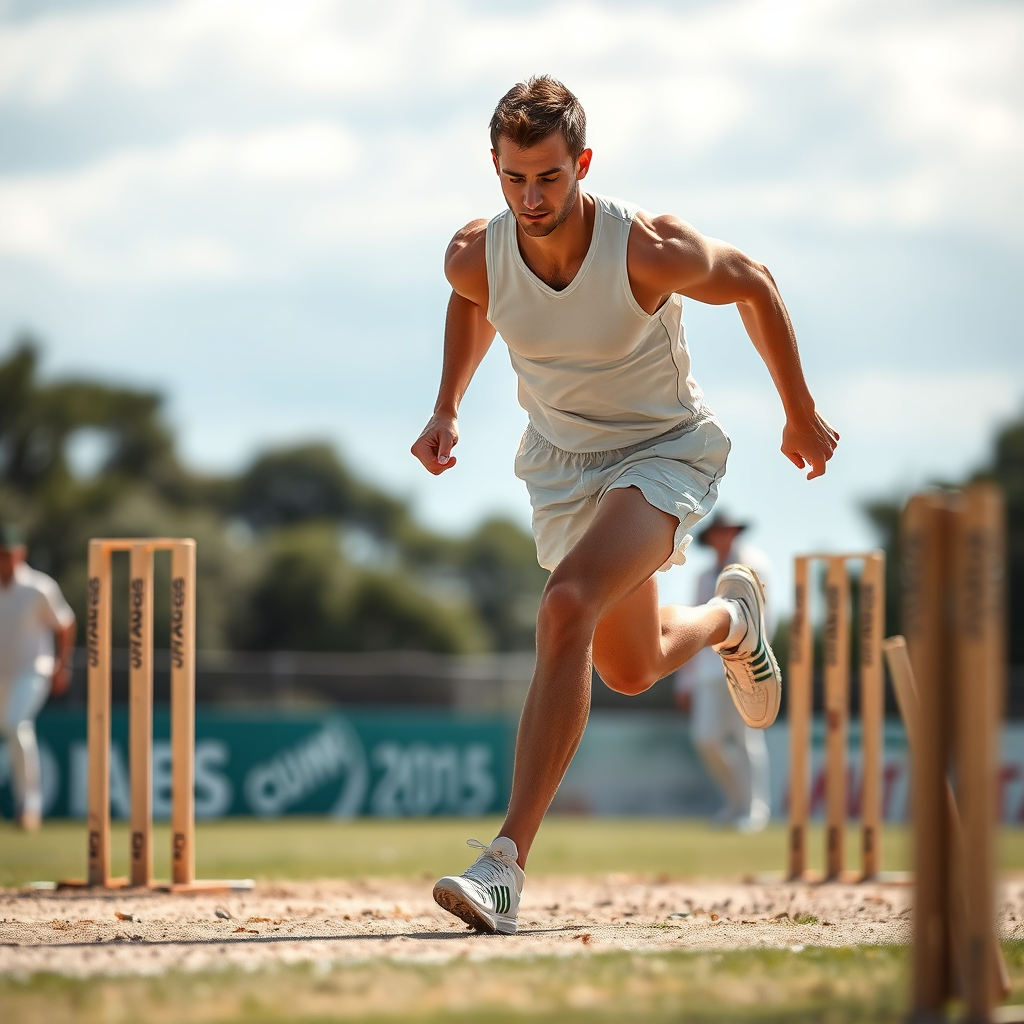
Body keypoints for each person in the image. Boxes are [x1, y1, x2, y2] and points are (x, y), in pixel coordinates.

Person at [411, 76, 838, 934]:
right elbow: (473, 304)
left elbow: (753, 280)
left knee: (566, 601)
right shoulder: (472, 254)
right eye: (515, 177)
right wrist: (447, 404)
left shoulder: (644, 245)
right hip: (563, 465)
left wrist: (798, 408)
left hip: (663, 449)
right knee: (631, 667)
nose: (532, 198)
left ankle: (503, 866)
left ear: (583, 165)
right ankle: (729, 620)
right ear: (494, 168)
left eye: (551, 177)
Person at [674, 512, 772, 833]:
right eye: (718, 533)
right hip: (709, 672)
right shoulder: (704, 578)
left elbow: (763, 620)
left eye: (728, 532)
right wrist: (684, 679)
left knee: (746, 739)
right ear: (712, 538)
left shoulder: (755, 565)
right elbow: (692, 630)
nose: (723, 538)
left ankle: (754, 811)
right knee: (706, 739)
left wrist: (759, 663)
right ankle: (736, 801)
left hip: (745, 666)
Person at [0, 524, 76, 830]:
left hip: (33, 669)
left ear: (21, 554)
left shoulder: (39, 587)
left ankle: (29, 806)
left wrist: (62, 665)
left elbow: (65, 623)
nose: (4, 561)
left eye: (8, 554)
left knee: (17, 724)